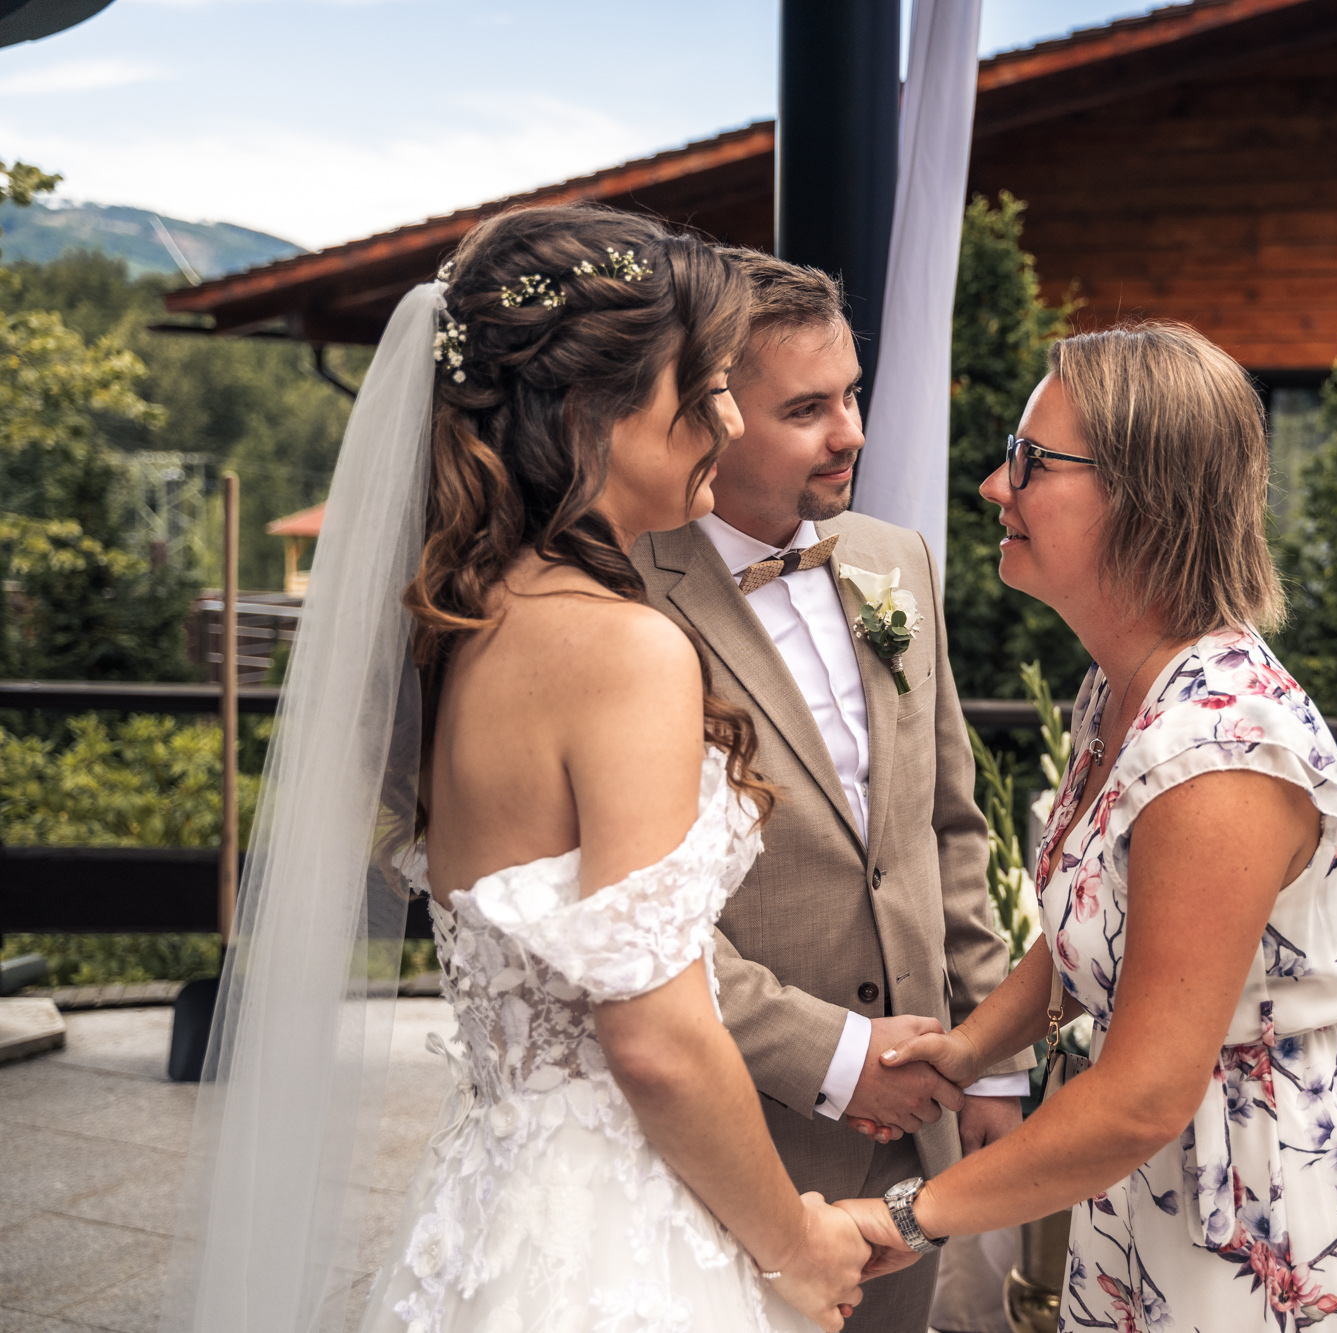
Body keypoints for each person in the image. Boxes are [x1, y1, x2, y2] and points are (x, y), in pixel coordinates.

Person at [165, 204, 877, 1333]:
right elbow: (654, 1040)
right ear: (596, 410)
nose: (730, 418)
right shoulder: (620, 648)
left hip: (497, 1193)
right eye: (704, 387)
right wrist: (794, 1244)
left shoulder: (468, 624)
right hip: (615, 1231)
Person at [832, 322, 1337, 1330]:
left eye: (1031, 460)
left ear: (1145, 497)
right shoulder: (1117, 689)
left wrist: (904, 1216)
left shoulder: (1219, 747)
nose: (994, 486)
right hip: (1157, 1193)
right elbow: (1104, 921)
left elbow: (1143, 1095)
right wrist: (969, 1049)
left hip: (1278, 1221)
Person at [633, 249, 1034, 1333]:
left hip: (917, 1137)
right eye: (807, 409)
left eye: (852, 395)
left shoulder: (894, 560)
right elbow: (629, 916)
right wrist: (832, 1058)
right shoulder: (625, 594)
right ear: (712, 417)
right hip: (732, 1134)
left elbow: (946, 827)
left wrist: (995, 1062)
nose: (851, 432)